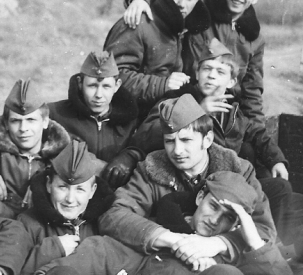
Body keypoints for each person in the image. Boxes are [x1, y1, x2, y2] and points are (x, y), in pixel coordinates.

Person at [131, 38, 294, 243]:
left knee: (280, 188)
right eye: (206, 69)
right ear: (197, 74)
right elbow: (145, 135)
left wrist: (276, 159)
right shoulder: (177, 101)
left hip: (227, 184)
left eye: (220, 72)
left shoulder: (234, 112)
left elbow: (257, 134)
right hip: (194, 185)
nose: (211, 76)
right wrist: (198, 111)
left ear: (231, 82)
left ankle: (279, 246)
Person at [98, 94, 276, 268]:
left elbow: (264, 230)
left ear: (207, 139)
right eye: (169, 141)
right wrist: (173, 240)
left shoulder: (239, 170)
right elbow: (114, 215)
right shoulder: (151, 168)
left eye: (186, 140)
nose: (177, 150)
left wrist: (218, 243)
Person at [124, 0, 265, 126]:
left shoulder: (255, 38)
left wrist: (258, 129)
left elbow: (252, 91)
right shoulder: (200, 12)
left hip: (226, 111)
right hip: (187, 101)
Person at [103, 0, 211, 114]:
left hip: (166, 114)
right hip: (132, 119)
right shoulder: (137, 22)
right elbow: (112, 76)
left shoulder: (189, 28)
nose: (182, 3)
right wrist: (163, 84)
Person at [20, 139, 143, 275]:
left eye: (80, 189)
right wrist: (52, 249)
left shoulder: (106, 222)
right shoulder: (28, 223)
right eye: (62, 187)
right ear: (49, 185)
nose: (70, 199)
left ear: (92, 191)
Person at [139, 171, 292, 275]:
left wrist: (255, 242)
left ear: (236, 225)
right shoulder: (159, 230)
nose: (214, 220)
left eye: (229, 217)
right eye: (213, 206)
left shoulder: (239, 254)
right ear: (200, 198)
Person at [0, 78, 71, 218]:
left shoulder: (64, 154)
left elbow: (91, 167)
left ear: (45, 122)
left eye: (31, 120)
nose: (23, 129)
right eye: (16, 121)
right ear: (5, 123)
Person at [48, 51, 140, 188]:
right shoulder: (55, 113)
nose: (99, 95)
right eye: (92, 86)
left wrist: (130, 156)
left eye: (106, 87)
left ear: (117, 86)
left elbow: (144, 147)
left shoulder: (131, 120)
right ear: (80, 83)